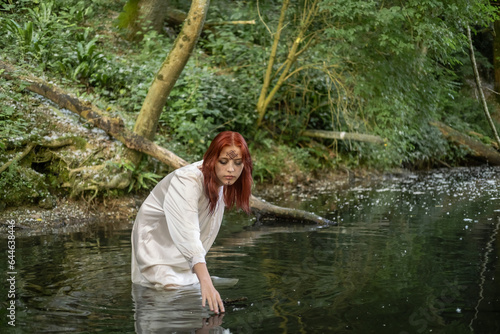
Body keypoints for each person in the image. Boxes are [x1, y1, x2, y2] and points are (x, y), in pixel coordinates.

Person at [131, 131, 253, 314]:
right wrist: (206, 281)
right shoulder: (187, 180)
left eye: (238, 163)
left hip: (181, 241)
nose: (231, 169)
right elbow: (187, 231)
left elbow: (205, 230)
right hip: (155, 240)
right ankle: (191, 284)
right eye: (223, 161)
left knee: (193, 297)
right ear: (212, 159)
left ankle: (192, 280)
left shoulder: (220, 182)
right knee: (170, 294)